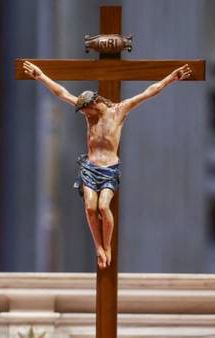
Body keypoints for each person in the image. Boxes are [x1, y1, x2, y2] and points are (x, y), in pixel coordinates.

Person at [22, 60, 192, 268]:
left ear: (93, 104)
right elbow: (62, 93)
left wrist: (171, 78)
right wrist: (40, 76)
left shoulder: (119, 111)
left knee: (103, 206)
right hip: (90, 168)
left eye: (85, 110)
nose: (84, 115)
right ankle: (99, 248)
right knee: (90, 208)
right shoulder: (89, 117)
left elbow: (149, 92)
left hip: (109, 169)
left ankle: (108, 246)